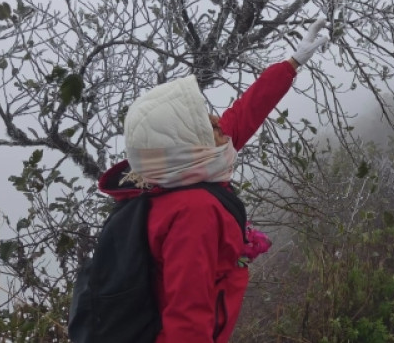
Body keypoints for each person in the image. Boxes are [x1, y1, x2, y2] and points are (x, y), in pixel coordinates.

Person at [97, 18, 329, 343]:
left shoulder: (168, 173)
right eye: (209, 127)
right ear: (190, 148)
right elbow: (187, 324)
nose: (219, 123)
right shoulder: (194, 212)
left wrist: (291, 64)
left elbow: (245, 113)